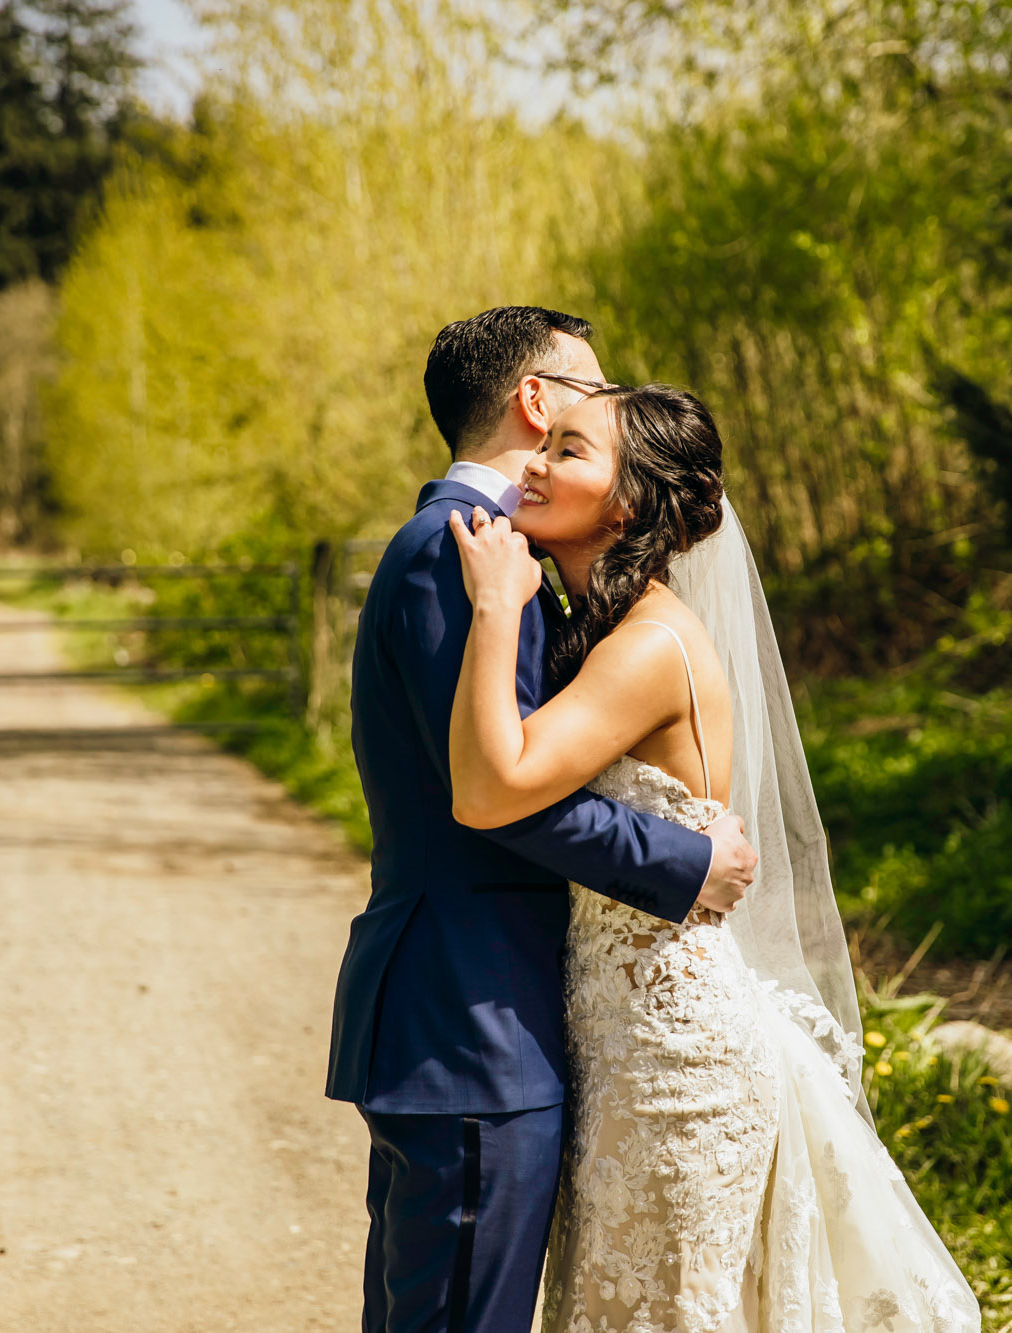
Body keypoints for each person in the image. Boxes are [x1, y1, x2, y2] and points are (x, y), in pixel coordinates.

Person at [446, 382, 982, 1331]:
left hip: (673, 1061)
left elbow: (493, 789)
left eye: (567, 451)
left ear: (630, 500)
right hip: (621, 1044)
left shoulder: (650, 644)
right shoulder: (608, 633)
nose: (530, 463)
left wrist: (494, 608)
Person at [325, 307, 762, 1333]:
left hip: (505, 1018)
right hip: (471, 1020)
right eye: (583, 397)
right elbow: (489, 796)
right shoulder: (466, 552)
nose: (600, 408)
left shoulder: (518, 571)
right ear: (534, 401)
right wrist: (681, 856)